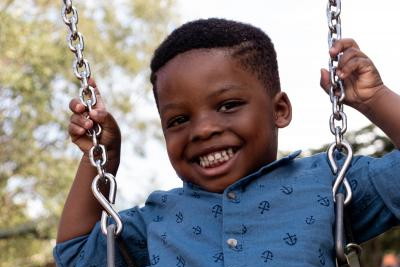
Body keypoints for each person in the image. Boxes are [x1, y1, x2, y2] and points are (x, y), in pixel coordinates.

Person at [54, 18, 400, 266]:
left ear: (279, 110)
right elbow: (77, 255)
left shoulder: (329, 180)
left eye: (228, 105)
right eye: (178, 120)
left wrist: (375, 99)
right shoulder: (158, 219)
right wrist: (101, 159)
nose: (203, 130)